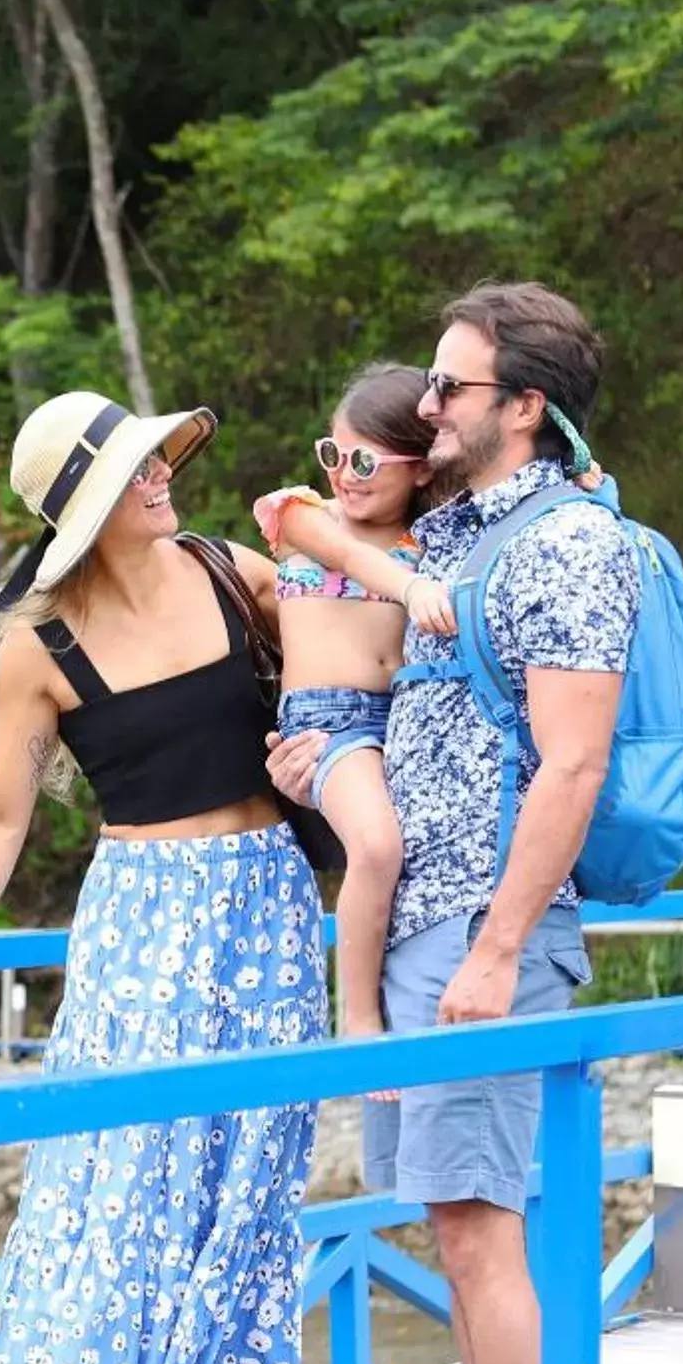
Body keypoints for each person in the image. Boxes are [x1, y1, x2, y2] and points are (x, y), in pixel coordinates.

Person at [268, 282, 638, 1364]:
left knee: (480, 1232)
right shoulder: (462, 538)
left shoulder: (567, 546)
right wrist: (317, 772)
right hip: (421, 917)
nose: (423, 410)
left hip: (477, 933)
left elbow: (573, 761)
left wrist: (489, 953)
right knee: (454, 1222)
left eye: (448, 389)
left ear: (522, 406)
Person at [0, 389, 327, 1364]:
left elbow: (343, 658)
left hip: (263, 908)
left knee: (247, 1190)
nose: (161, 474)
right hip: (136, 923)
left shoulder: (224, 568)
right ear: (84, 511)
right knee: (101, 1191)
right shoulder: (34, 647)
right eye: (135, 469)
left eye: (154, 458)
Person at [248, 364, 458, 1039]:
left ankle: (412, 991)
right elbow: (344, 552)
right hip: (327, 721)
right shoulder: (305, 516)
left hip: (403, 721)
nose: (346, 471)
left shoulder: (435, 535)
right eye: (334, 452)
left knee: (423, 859)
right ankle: (359, 1016)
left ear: (421, 469)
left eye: (366, 459)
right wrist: (408, 587)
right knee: (376, 846)